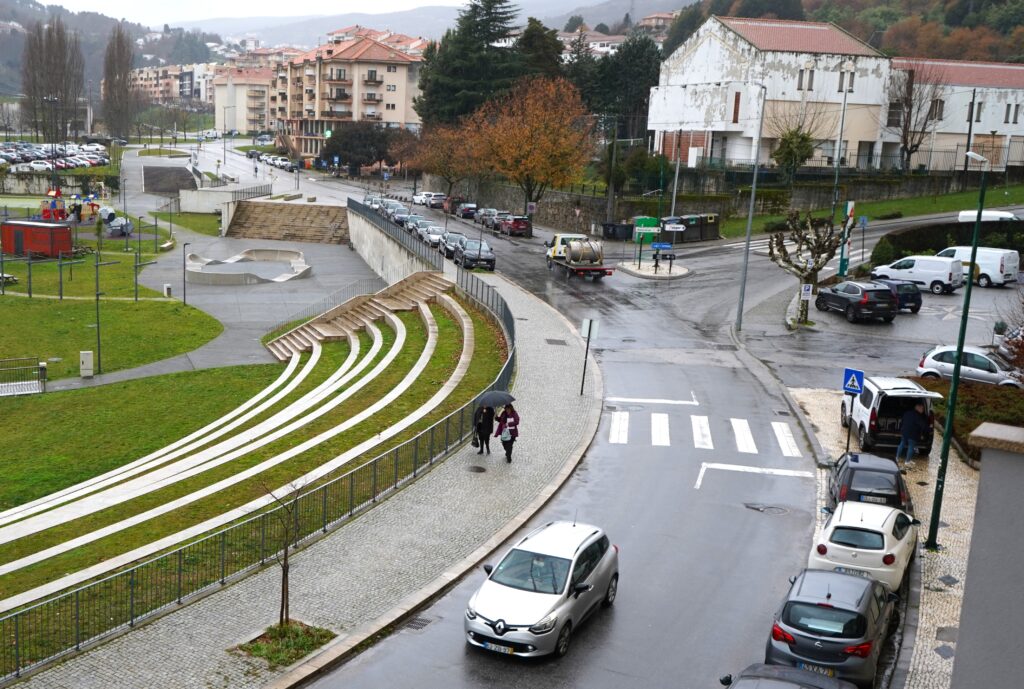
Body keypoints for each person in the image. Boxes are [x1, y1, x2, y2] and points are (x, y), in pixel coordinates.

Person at [896, 401, 928, 470]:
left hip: (904, 432)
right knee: (911, 446)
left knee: (902, 444)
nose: (922, 410)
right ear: (918, 408)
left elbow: (902, 421)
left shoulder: (907, 413)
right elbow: (923, 426)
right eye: (922, 408)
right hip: (913, 433)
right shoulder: (919, 416)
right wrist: (923, 434)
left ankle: (897, 458)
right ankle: (907, 461)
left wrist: (901, 429)